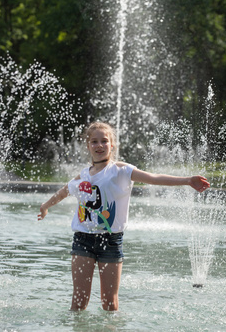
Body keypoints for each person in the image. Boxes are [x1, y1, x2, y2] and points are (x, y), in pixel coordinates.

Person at [37, 121, 210, 311]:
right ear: (88, 146)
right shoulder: (83, 176)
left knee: (109, 302)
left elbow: (153, 177)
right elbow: (63, 192)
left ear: (112, 145)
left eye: (104, 141)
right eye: (94, 142)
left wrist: (187, 181)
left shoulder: (121, 170)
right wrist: (45, 206)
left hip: (110, 242)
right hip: (82, 241)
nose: (99, 145)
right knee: (79, 300)